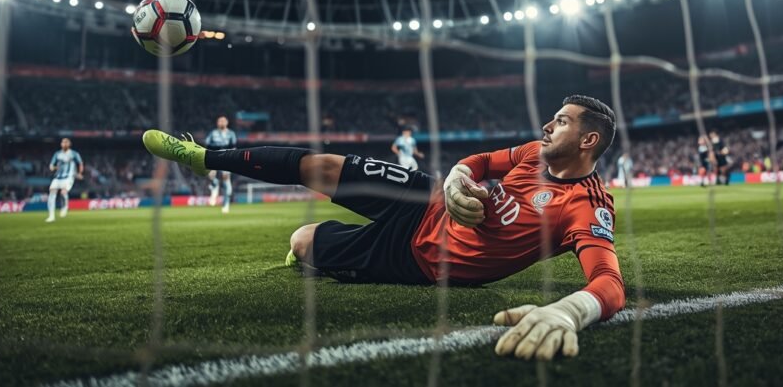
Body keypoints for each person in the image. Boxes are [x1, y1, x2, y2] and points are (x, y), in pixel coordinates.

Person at [142, 94, 625, 361]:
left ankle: (310, 247)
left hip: (417, 258)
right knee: (324, 166)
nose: (546, 126)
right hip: (425, 196)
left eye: (560, 122)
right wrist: (459, 176)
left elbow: (608, 283)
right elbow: (478, 162)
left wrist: (568, 312)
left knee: (304, 240)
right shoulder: (529, 153)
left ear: (587, 140)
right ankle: (204, 156)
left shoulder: (586, 207)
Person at [206, 116, 239, 213]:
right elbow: (207, 143)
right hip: (214, 157)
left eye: (223, 121)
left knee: (226, 180)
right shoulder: (213, 133)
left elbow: (233, 146)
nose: (221, 122)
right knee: (210, 174)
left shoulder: (231, 134)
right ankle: (214, 186)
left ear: (227, 122)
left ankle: (226, 204)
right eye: (220, 121)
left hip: (226, 159)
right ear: (217, 123)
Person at [47, 138, 83, 223]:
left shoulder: (74, 154)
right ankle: (51, 216)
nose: (64, 143)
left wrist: (80, 173)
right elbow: (51, 165)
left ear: (69, 144)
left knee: (63, 192)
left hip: (69, 177)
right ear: (61, 144)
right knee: (52, 192)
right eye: (63, 142)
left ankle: (65, 207)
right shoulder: (57, 154)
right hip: (58, 177)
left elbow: (80, 163)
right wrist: (53, 168)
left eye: (66, 142)